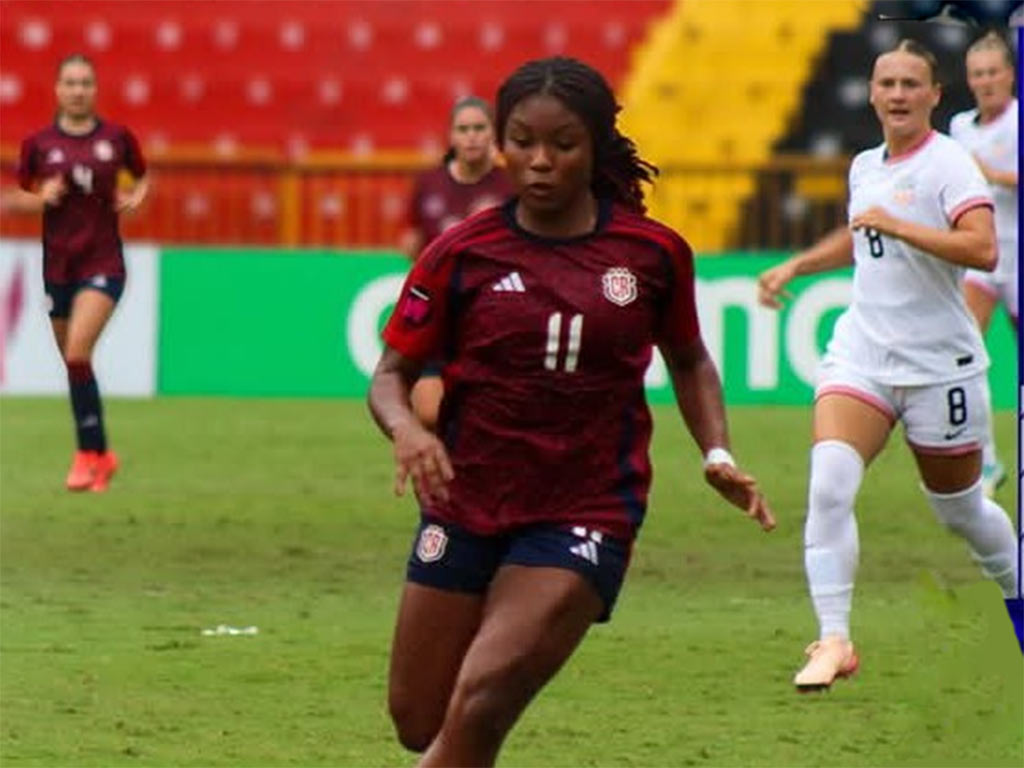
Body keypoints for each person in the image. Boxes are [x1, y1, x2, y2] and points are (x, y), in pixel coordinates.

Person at [369, 56, 775, 766]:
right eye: (522, 142)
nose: (540, 161)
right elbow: (390, 375)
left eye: (562, 144)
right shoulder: (460, 253)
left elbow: (689, 361)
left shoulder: (651, 255)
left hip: (586, 509)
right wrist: (406, 429)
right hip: (466, 502)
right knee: (420, 719)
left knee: (482, 698)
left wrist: (716, 452)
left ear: (594, 147)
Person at [757, 39, 1021, 690]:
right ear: (873, 94)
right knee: (829, 484)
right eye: (887, 83)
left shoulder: (950, 164)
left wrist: (902, 226)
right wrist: (798, 263)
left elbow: (983, 249)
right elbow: (861, 233)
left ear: (934, 95)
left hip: (939, 366)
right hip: (864, 354)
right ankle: (834, 639)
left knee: (962, 512)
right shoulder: (865, 166)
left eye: (911, 84)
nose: (898, 94)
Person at [1, 54, 148, 492]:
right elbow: (12, 198)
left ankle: (85, 457)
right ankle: (102, 454)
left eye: (85, 82)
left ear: (95, 89)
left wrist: (136, 197)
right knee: (74, 362)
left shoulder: (117, 139)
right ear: (58, 89)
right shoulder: (39, 144)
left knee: (78, 352)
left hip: (103, 263)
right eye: (70, 82)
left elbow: (142, 178)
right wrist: (39, 197)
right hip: (58, 268)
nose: (78, 90)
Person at [398, 96, 514, 431]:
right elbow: (411, 240)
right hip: (437, 308)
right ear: (451, 136)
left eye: (479, 128)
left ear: (493, 134)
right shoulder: (429, 183)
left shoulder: (511, 186)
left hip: (493, 311)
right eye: (463, 129)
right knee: (430, 413)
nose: (472, 136)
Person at [949, 30, 1018, 498]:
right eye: (978, 74)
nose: (986, 81)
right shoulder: (960, 127)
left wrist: (990, 174)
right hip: (982, 252)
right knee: (966, 349)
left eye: (993, 72)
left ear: (1010, 75)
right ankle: (987, 459)